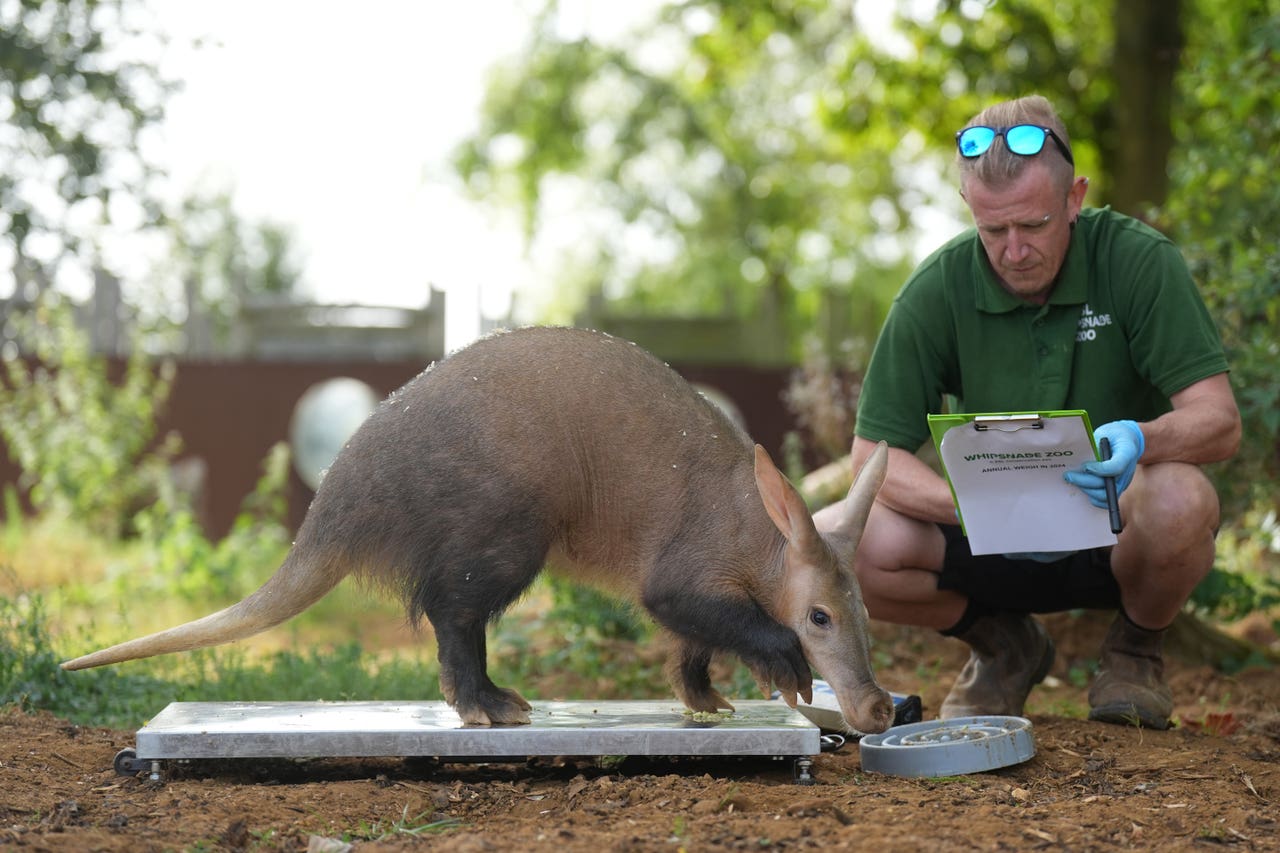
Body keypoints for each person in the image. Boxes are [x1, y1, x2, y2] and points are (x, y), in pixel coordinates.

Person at [847, 94, 1241, 729]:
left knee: (1184, 500)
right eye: (992, 230)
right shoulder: (936, 288)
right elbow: (871, 459)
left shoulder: (1139, 261)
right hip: (988, 535)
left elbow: (1219, 420)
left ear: (1075, 198)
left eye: (1033, 226)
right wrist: (973, 503)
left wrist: (1140, 438)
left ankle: (1135, 652)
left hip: (1112, 521)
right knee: (843, 536)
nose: (1013, 251)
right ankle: (1004, 646)